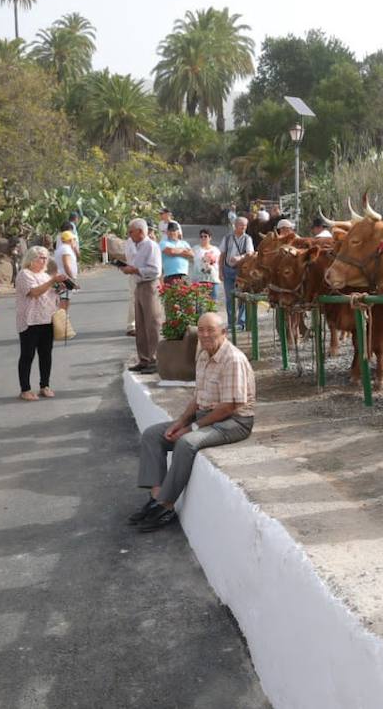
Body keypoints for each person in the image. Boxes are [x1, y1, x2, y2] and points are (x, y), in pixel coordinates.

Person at [128, 311, 255, 531]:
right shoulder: (204, 355)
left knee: (186, 443)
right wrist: (180, 422)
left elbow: (230, 406)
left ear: (224, 332)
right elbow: (199, 397)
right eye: (201, 330)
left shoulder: (232, 359)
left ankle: (166, 507)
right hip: (207, 416)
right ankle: (156, 500)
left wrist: (191, 428)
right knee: (152, 435)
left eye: (211, 330)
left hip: (234, 422)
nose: (204, 335)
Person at [15, 245, 68, 400]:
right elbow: (34, 292)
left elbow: (51, 294)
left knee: (46, 355)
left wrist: (60, 287)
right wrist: (52, 281)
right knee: (27, 355)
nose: (44, 260)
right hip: (30, 320)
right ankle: (25, 389)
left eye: (46, 258)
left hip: (47, 318)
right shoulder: (24, 274)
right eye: (41, 257)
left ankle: (45, 385)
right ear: (31, 259)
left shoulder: (45, 276)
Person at [120, 218, 163, 373]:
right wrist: (129, 269)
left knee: (152, 323)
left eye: (131, 231)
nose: (129, 234)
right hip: (139, 284)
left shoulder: (151, 246)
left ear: (140, 231)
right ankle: (144, 359)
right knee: (140, 324)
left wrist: (135, 270)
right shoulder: (136, 246)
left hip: (149, 285)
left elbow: (155, 270)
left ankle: (155, 360)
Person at [219, 216, 254, 331]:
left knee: (242, 297)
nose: (243, 228)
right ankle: (231, 323)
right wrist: (220, 271)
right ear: (235, 225)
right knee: (229, 298)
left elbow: (250, 254)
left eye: (245, 226)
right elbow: (222, 255)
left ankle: (241, 323)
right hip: (227, 269)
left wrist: (240, 258)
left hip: (241, 272)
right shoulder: (227, 238)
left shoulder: (247, 239)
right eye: (241, 225)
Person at [53, 230, 80, 319]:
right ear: (69, 240)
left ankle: (63, 317)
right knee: (64, 298)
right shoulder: (66, 249)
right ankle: (62, 318)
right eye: (73, 240)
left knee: (65, 298)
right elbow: (66, 265)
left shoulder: (62, 248)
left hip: (63, 276)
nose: (74, 242)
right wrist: (72, 278)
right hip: (65, 277)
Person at [159, 220, 193, 285]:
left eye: (174, 231)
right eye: (170, 231)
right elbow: (171, 251)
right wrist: (183, 250)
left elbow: (191, 254)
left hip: (184, 275)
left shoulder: (184, 243)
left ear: (178, 232)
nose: (172, 233)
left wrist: (176, 252)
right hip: (170, 275)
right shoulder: (163, 243)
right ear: (167, 232)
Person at [195, 228, 221, 299]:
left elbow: (220, 262)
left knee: (213, 302)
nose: (203, 238)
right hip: (199, 279)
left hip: (213, 279)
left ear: (210, 238)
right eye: (201, 236)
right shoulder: (195, 249)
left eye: (205, 236)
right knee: (201, 302)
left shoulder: (216, 250)